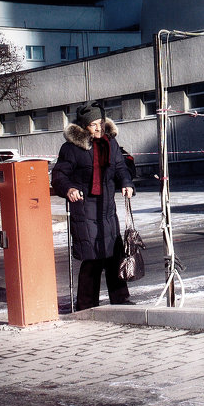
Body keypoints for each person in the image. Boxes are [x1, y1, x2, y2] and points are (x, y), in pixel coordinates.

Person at [52, 100, 135, 310]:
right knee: (92, 258)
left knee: (114, 254)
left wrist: (126, 183)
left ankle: (121, 300)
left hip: (106, 209)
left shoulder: (110, 143)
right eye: (93, 124)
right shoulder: (72, 149)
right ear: (83, 127)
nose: (98, 128)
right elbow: (59, 176)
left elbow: (120, 167)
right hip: (84, 208)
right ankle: (87, 306)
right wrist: (69, 189)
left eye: (100, 122)